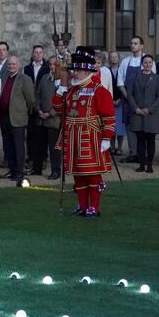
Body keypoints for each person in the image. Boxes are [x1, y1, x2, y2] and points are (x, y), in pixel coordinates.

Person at [52, 53, 116, 217]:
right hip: (72, 135)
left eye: (78, 70)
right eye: (74, 69)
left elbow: (108, 116)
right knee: (78, 173)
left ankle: (94, 206)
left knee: (92, 173)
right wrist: (61, 89)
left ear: (87, 71)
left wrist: (107, 138)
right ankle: (82, 205)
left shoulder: (99, 91)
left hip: (90, 137)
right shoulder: (72, 90)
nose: (75, 73)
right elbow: (59, 109)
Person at [117, 36, 156, 163]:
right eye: (131, 43)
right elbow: (120, 82)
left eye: (136, 43)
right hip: (128, 101)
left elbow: (152, 81)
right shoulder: (125, 62)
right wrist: (129, 98)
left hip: (144, 102)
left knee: (143, 127)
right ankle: (133, 153)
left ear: (142, 46)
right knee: (129, 127)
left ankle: (143, 155)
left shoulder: (148, 61)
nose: (133, 45)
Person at [0, 55, 34, 184]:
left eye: (13, 64)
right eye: (9, 64)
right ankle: (12, 170)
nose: (11, 66)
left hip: (18, 118)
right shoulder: (4, 77)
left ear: (19, 65)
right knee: (8, 147)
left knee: (18, 147)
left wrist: (25, 113)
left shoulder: (25, 79)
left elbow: (30, 100)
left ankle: (19, 172)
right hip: (4, 116)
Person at [126, 54, 159, 173]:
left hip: (151, 115)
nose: (148, 65)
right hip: (137, 114)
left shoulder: (158, 78)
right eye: (145, 62)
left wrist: (150, 109)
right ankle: (142, 164)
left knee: (151, 141)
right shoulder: (134, 77)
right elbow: (130, 94)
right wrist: (135, 108)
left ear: (152, 64)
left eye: (150, 62)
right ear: (142, 64)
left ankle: (150, 165)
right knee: (140, 140)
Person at [33, 55, 62, 179]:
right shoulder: (45, 78)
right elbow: (37, 95)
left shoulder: (64, 81)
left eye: (54, 65)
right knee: (39, 145)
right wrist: (39, 109)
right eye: (50, 64)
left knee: (54, 148)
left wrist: (49, 113)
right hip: (41, 118)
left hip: (54, 119)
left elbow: (62, 101)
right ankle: (37, 169)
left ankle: (56, 170)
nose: (52, 67)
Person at [24, 45, 49, 171]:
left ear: (43, 54)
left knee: (42, 133)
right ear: (32, 54)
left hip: (42, 104)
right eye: (36, 52)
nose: (38, 54)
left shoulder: (47, 68)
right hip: (30, 104)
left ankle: (42, 158)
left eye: (40, 52)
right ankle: (31, 157)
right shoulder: (27, 68)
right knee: (30, 133)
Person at [108, 50, 126, 155]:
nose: (114, 59)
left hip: (121, 102)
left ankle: (119, 147)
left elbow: (124, 86)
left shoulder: (122, 71)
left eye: (116, 57)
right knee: (111, 126)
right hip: (110, 102)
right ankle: (112, 146)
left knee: (120, 127)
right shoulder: (107, 71)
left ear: (119, 59)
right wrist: (111, 100)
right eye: (112, 57)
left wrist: (120, 99)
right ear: (109, 59)